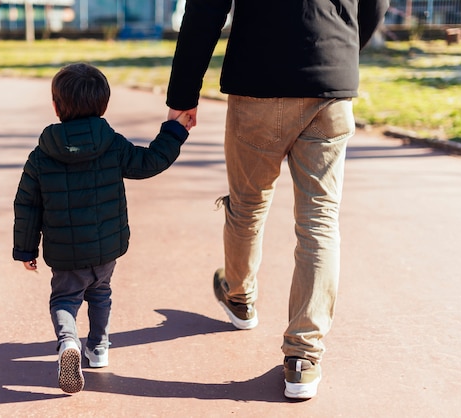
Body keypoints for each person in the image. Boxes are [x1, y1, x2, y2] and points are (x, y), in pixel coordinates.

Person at [166, 0, 388, 399]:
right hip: (329, 81)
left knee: (247, 204)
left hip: (258, 82)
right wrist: (340, 52)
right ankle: (303, 357)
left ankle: (239, 297)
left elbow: (205, 10)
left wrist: (183, 94)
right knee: (320, 222)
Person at [12, 63, 190, 394]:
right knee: (101, 293)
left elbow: (26, 204)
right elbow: (149, 161)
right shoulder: (112, 144)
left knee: (65, 299)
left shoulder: (41, 155)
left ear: (55, 106)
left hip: (65, 253)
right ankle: (98, 347)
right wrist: (175, 130)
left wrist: (25, 249)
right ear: (103, 105)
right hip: (106, 248)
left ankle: (69, 343)